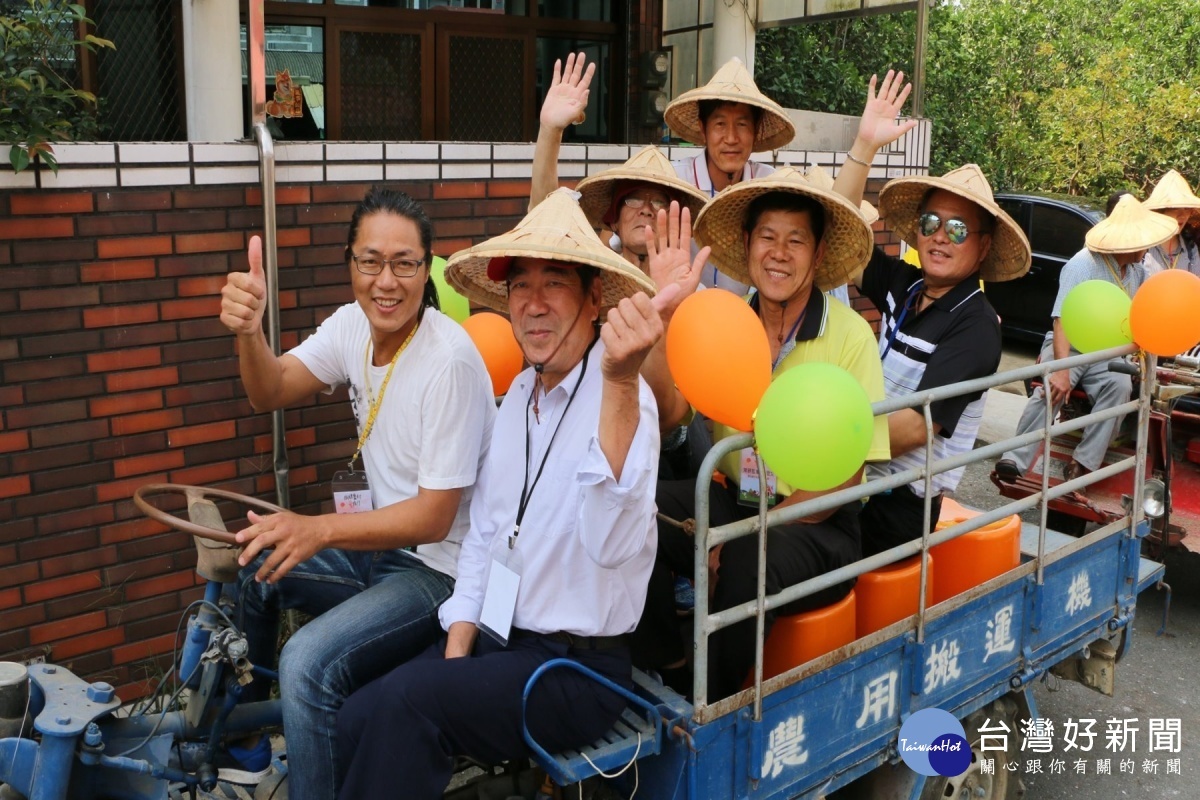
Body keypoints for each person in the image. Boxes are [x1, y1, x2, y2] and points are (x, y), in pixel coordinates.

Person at [334, 189, 704, 799]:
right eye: (520, 285)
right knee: (357, 713)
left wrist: (617, 377)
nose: (533, 304)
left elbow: (613, 545)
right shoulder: (519, 402)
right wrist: (457, 653)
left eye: (554, 283)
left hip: (577, 671)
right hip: (504, 641)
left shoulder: (623, 398)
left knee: (405, 707)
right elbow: (483, 536)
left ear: (593, 300)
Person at [217, 187, 495, 797]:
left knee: (307, 663)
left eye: (404, 263)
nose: (386, 281)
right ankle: (245, 739)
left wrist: (316, 529)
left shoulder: (449, 359)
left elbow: (433, 516)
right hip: (379, 553)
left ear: (429, 272)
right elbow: (270, 390)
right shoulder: (352, 325)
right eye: (370, 261)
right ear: (350, 263)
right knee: (257, 560)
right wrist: (248, 331)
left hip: (440, 573)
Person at [632, 167, 891, 700]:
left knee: (748, 559)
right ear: (747, 246)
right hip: (739, 501)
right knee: (635, 505)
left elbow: (847, 477)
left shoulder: (849, 336)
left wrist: (747, 534)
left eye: (796, 240)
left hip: (819, 523)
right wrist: (665, 314)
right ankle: (667, 663)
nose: (779, 252)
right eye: (767, 237)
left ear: (818, 256)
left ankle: (709, 707)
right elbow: (669, 413)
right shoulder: (725, 322)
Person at [831, 71, 1032, 559]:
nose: (941, 236)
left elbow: (914, 429)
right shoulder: (907, 283)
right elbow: (839, 238)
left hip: (896, 505)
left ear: (983, 247)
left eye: (959, 229)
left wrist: (826, 448)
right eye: (931, 222)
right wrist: (865, 144)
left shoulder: (976, 325)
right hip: (857, 477)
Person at [997, 195, 1176, 484]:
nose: (1147, 249)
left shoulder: (1138, 273)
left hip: (1107, 353)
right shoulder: (1083, 264)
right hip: (1069, 344)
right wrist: (1063, 369)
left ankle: (1082, 464)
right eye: (1142, 242)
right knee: (1051, 387)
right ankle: (1015, 459)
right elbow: (1061, 320)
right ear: (1127, 241)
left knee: (1119, 387)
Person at [1142, 169, 1200, 276]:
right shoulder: (1142, 248)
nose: (1182, 215)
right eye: (1175, 209)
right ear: (1159, 211)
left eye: (1187, 209)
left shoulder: (1190, 249)